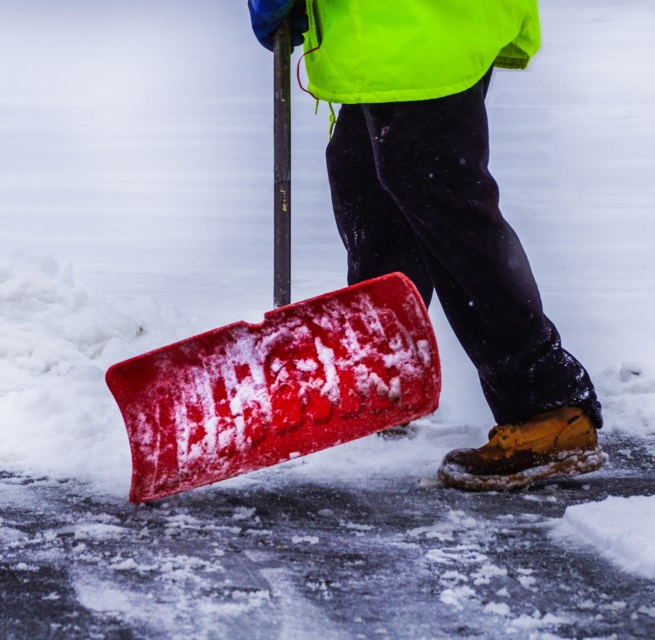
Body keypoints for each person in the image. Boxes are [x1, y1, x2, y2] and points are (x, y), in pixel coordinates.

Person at [248, 1, 605, 490]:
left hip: (423, 25)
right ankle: (384, 376)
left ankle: (547, 406)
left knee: (442, 198)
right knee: (369, 187)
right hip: (383, 32)